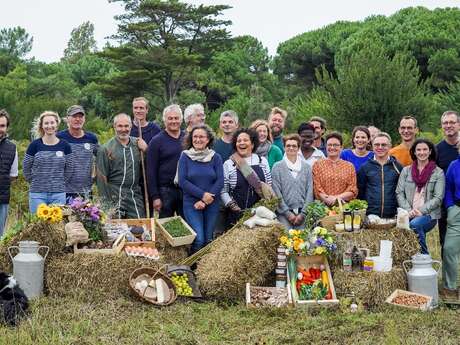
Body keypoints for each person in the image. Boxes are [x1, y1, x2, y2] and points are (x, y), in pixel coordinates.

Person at [178, 125, 223, 253]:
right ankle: (192, 267)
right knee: (199, 239)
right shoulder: (185, 156)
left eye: (201, 137)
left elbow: (220, 181)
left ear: (208, 139)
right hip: (191, 203)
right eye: (195, 137)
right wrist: (202, 195)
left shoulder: (215, 157)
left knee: (208, 239)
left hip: (212, 203)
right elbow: (182, 181)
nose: (198, 139)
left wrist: (205, 200)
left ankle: (204, 270)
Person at [396, 139, 445, 254]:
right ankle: (411, 259)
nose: (421, 152)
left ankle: (424, 257)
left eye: (425, 149)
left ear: (430, 151)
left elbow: (438, 197)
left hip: (429, 215)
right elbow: (399, 192)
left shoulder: (438, 172)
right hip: (408, 212)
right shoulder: (406, 171)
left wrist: (421, 211)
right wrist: (409, 210)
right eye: (418, 150)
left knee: (415, 224)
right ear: (414, 152)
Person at [96, 113, 146, 219]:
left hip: (134, 195)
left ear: (131, 127)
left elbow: (149, 164)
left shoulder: (137, 144)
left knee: (140, 228)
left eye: (126, 126)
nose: (123, 129)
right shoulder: (106, 149)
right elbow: (101, 178)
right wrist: (106, 205)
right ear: (114, 127)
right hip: (114, 195)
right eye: (120, 126)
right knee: (116, 230)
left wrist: (146, 149)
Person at [23, 111, 74, 213]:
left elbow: (69, 168)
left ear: (57, 124)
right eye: (46, 123)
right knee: (37, 226)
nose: (49, 126)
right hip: (37, 194)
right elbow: (26, 167)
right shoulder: (34, 145)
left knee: (56, 227)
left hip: (58, 194)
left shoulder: (65, 146)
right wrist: (34, 182)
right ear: (42, 126)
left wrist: (60, 183)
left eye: (52, 122)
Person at [221, 128, 272, 226]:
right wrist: (231, 205)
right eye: (238, 141)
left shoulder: (262, 161)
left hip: (260, 215)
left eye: (245, 140)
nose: (241, 143)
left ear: (252, 144)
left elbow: (269, 185)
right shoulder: (229, 164)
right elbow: (223, 190)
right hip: (237, 214)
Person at [147, 104, 185, 218]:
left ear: (181, 120)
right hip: (165, 191)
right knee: (166, 225)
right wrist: (155, 196)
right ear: (164, 120)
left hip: (185, 189)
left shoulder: (188, 139)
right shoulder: (156, 141)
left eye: (176, 118)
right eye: (170, 118)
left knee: (187, 224)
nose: (173, 121)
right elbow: (151, 171)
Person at [57, 105, 98, 202]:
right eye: (74, 116)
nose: (77, 119)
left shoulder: (92, 138)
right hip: (63, 191)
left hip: (86, 191)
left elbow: (101, 158)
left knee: (86, 217)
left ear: (84, 119)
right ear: (67, 119)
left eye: (80, 116)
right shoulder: (59, 137)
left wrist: (95, 178)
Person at [272, 134, 313, 229]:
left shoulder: (306, 167)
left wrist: (303, 213)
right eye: (288, 145)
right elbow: (276, 193)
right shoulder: (277, 167)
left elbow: (310, 192)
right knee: (285, 240)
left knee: (304, 241)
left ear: (299, 148)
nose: (291, 148)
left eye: (294, 146)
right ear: (284, 147)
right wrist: (287, 213)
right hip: (284, 214)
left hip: (303, 214)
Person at [358, 133, 403, 218]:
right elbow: (360, 191)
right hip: (370, 216)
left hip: (393, 216)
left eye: (384, 145)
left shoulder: (398, 167)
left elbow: (402, 191)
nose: (380, 147)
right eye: (377, 145)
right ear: (372, 146)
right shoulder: (365, 167)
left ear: (390, 146)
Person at [312, 132, 357, 206]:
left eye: (335, 145)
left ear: (341, 147)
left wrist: (336, 198)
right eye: (329, 145)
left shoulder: (349, 166)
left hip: (344, 207)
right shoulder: (317, 165)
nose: (332, 147)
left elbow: (352, 189)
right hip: (322, 208)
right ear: (326, 147)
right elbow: (317, 188)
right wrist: (328, 199)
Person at [436, 110, 460, 250]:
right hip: (447, 204)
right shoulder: (437, 150)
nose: (448, 125)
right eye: (445, 123)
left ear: (459, 125)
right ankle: (448, 271)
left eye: (452, 122)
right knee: (446, 244)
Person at [441, 142, 460, 300]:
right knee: (449, 249)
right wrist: (450, 207)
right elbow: (447, 188)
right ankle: (450, 287)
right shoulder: (454, 165)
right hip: (457, 212)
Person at [0, 110, 18, 237]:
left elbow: (13, 175)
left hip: (2, 199)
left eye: (2, 126)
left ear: (7, 127)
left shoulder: (12, 148)